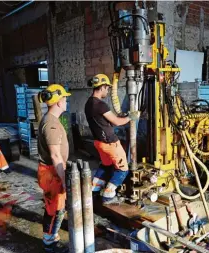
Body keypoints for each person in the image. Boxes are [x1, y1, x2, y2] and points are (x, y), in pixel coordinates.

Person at [84, 73, 139, 205]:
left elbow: (105, 121)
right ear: (102, 87)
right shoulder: (101, 105)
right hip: (110, 143)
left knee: (106, 165)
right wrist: (131, 117)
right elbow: (117, 122)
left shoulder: (89, 103)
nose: (108, 91)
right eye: (107, 88)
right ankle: (108, 196)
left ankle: (95, 190)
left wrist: (124, 116)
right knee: (122, 170)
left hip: (99, 143)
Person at [37, 84, 71, 252]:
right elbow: (55, 156)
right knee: (55, 209)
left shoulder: (52, 120)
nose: (66, 101)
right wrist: (65, 179)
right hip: (52, 172)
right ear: (58, 101)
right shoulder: (51, 124)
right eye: (65, 98)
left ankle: (51, 236)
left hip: (52, 171)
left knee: (56, 207)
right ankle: (49, 242)